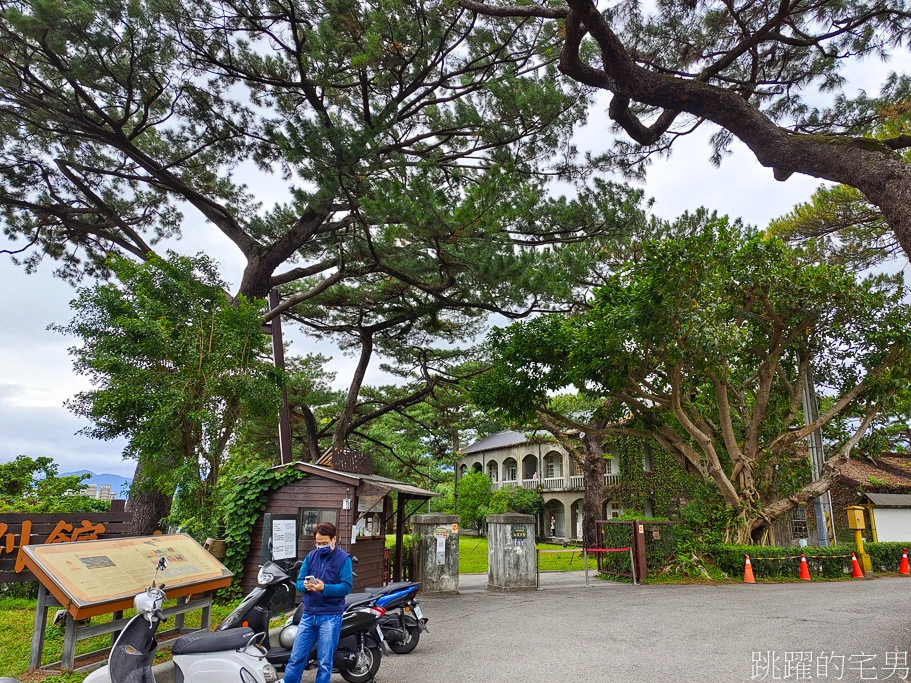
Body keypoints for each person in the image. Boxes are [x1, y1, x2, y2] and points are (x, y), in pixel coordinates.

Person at [282, 522, 353, 683]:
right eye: (318, 543)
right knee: (296, 658)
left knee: (325, 662)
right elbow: (299, 582)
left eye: (324, 543)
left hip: (330, 616)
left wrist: (324, 587)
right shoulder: (310, 557)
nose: (320, 546)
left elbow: (346, 587)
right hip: (308, 615)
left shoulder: (344, 559)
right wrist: (305, 586)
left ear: (334, 539)